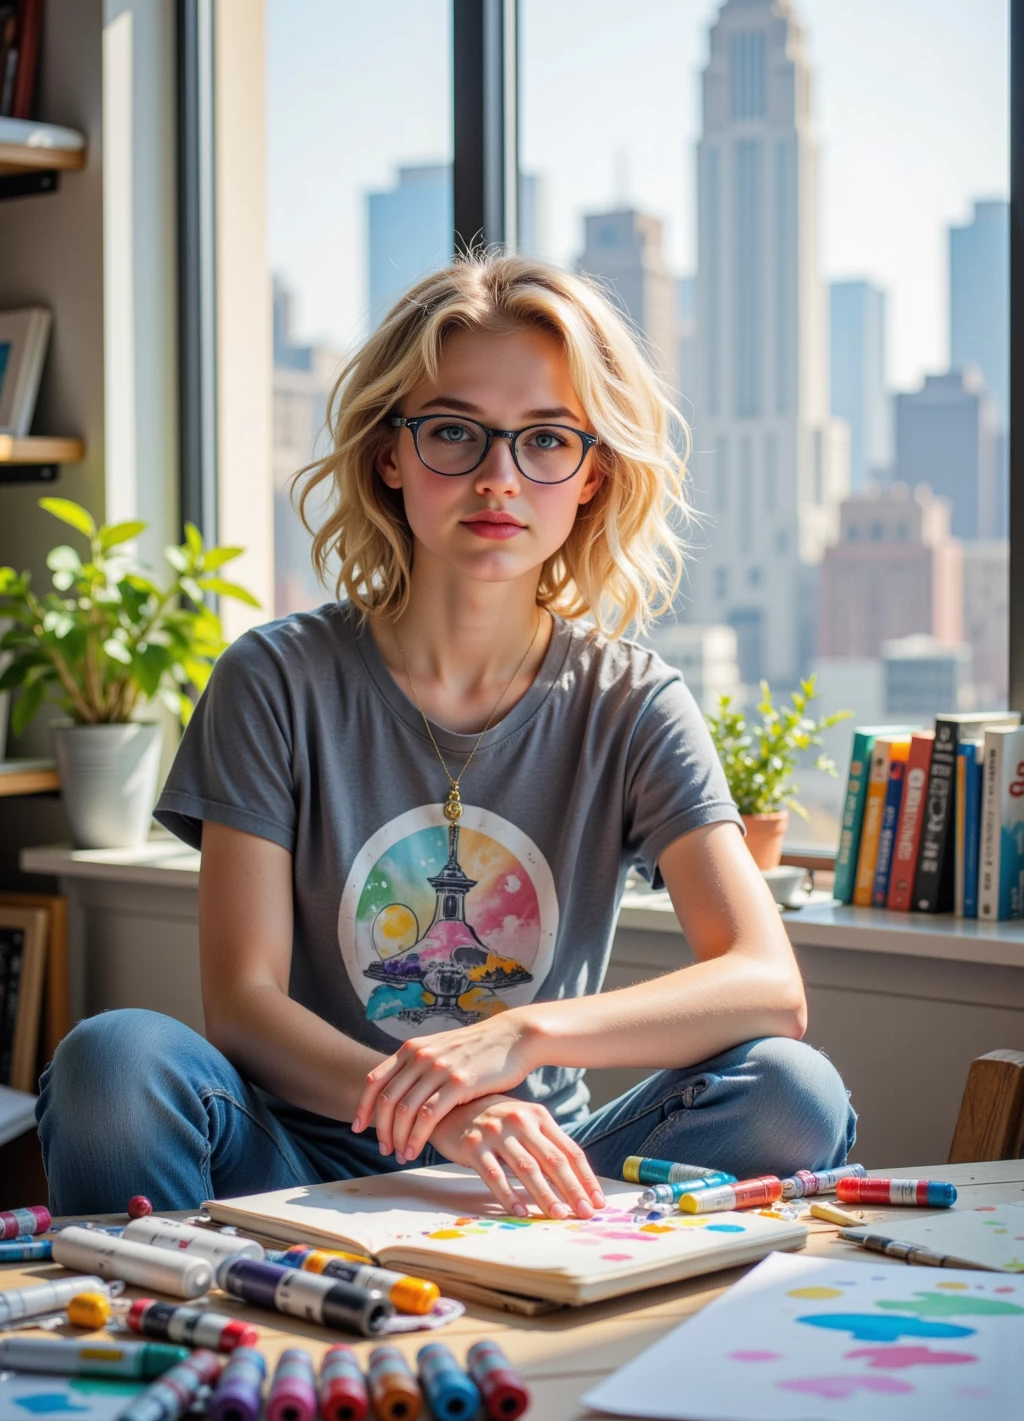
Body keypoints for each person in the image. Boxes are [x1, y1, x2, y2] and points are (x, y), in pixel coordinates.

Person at [37, 250, 856, 1216]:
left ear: (593, 474)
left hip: (541, 1162)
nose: (499, 478)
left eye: (547, 439)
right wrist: (444, 1118)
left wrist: (520, 1042)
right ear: (390, 454)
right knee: (113, 1062)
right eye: (455, 433)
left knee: (794, 1093)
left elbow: (768, 983)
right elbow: (244, 1009)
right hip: (298, 1162)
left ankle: (566, 1277)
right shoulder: (274, 678)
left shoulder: (633, 702)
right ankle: (190, 1338)